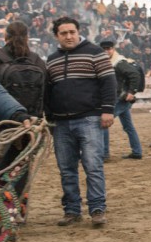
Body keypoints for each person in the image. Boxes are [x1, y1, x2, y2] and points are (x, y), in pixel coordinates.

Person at [45, 16, 116, 227]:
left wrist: (108, 110)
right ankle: (72, 210)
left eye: (72, 32)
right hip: (61, 123)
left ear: (78, 32)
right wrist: (49, 117)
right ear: (56, 36)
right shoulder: (52, 60)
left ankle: (97, 209)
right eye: (63, 33)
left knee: (93, 166)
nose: (69, 36)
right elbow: (48, 91)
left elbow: (108, 82)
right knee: (66, 169)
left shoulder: (95, 53)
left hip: (89, 119)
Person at [0, 21, 46, 188]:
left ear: (5, 37)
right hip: (29, 125)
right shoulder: (37, 61)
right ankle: (16, 203)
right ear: (27, 37)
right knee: (20, 170)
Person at [100, 40, 143, 159]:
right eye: (104, 49)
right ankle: (137, 152)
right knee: (128, 126)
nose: (106, 51)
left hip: (119, 98)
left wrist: (132, 91)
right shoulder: (110, 61)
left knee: (104, 122)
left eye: (108, 49)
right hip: (121, 98)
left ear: (113, 49)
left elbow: (134, 74)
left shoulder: (119, 62)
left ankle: (104, 154)